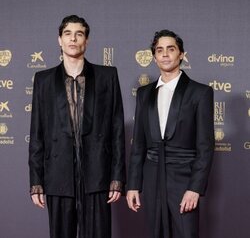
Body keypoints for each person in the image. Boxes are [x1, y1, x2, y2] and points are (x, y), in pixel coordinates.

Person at [29, 15, 126, 238]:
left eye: (79, 34)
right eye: (68, 34)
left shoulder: (107, 76)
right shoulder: (43, 79)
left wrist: (117, 177)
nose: (73, 39)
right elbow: (37, 133)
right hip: (58, 173)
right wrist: (36, 181)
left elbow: (117, 129)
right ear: (59, 40)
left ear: (87, 41)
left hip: (97, 173)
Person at [126, 29, 214, 238]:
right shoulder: (144, 93)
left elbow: (205, 146)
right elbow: (138, 144)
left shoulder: (200, 92)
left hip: (184, 178)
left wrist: (195, 188)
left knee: (186, 233)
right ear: (154, 57)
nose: (165, 54)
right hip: (152, 177)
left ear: (181, 54)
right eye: (159, 50)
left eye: (171, 49)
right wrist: (133, 185)